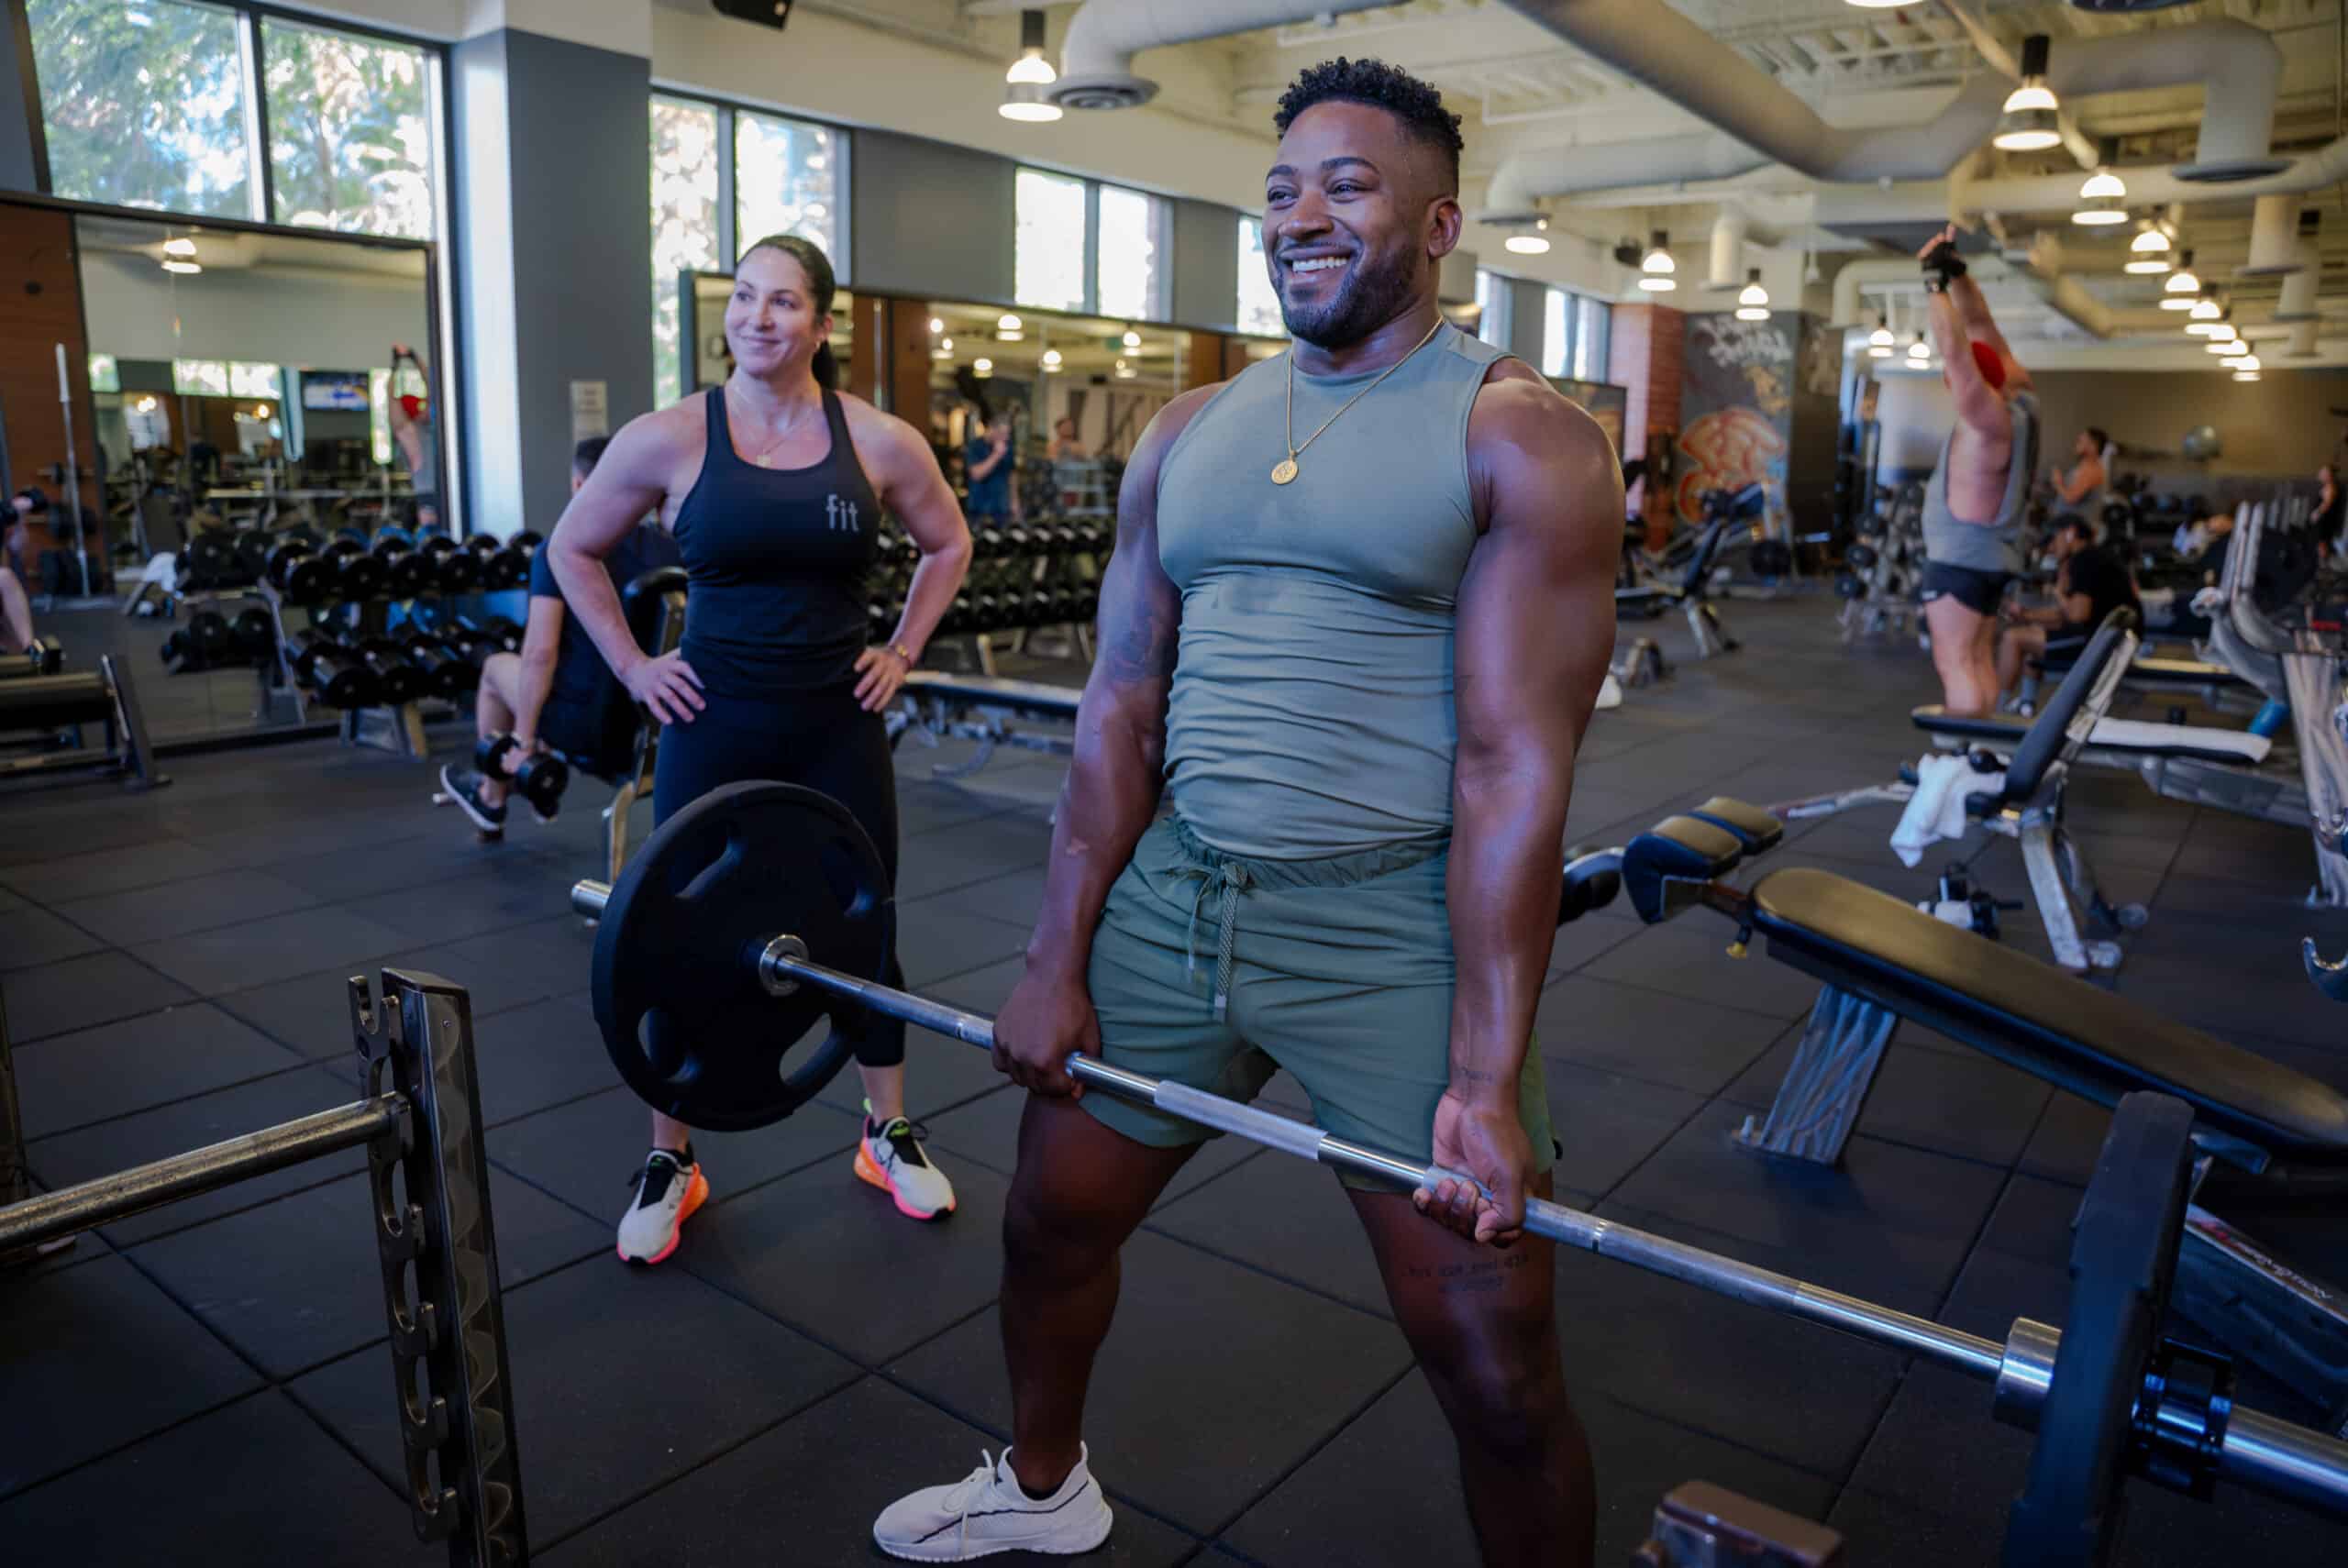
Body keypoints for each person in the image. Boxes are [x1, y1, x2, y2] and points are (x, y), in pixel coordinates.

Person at [873, 59, 1619, 1567]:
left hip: (1391, 927)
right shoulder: (1187, 429)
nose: (1301, 216)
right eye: (1281, 190)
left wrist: (1484, 1067)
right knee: (1048, 1223)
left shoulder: (1520, 436)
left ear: (1440, 222)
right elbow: (1121, 705)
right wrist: (1053, 952)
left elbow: (1509, 766)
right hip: (1177, 901)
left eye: (1347, 186)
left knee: (1496, 1361)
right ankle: (1039, 1481)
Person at [548, 233, 974, 1266]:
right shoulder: (670, 437)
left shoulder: (877, 440)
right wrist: (637, 668)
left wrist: (904, 649)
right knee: (676, 932)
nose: (756, 318)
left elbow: (949, 543)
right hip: (712, 723)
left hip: (836, 724)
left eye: (782, 302)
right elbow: (572, 547)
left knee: (864, 922)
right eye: (743, 298)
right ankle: (672, 1155)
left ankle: (886, 1132)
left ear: (822, 324)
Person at [437, 436, 678, 840]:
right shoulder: (672, 551)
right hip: (656, 723)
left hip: (586, 726)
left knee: (497, 668)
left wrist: (524, 739)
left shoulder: (562, 549)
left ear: (579, 487)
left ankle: (493, 795)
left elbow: (539, 653)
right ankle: (529, 780)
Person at [1913, 224, 2041, 717]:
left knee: (1956, 665)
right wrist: (1956, 274)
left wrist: (1932, 285)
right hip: (1987, 559)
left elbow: (1957, 354)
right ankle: (1981, 750)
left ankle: (1963, 752)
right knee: (1977, 661)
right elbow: (1983, 329)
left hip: (1961, 561)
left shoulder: (1987, 422)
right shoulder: (2022, 398)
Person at [1996, 513, 2140, 702]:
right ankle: (2026, 705)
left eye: (2054, 539)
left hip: (2104, 642)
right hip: (2111, 636)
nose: (2052, 548)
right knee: (2030, 637)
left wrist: (2058, 593)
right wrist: (2026, 615)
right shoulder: (2092, 556)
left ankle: (1996, 709)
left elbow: (2077, 615)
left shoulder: (2084, 560)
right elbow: (2064, 615)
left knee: (2012, 638)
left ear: (2070, 533)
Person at [387, 342, 439, 533]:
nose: (426, 408)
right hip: (427, 496)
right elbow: (391, 399)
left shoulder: (433, 425)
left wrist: (414, 357)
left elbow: (434, 388)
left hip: (444, 490)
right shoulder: (406, 430)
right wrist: (396, 366)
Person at [963, 406, 1014, 527]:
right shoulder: (974, 446)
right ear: (991, 429)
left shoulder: (1008, 446)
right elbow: (976, 475)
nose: (1006, 438)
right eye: (1003, 434)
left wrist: (1014, 501)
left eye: (1008, 434)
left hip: (1001, 506)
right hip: (979, 506)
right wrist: (996, 455)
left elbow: (1012, 473)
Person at [2047, 426, 2108, 508]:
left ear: (2093, 446)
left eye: (2080, 441)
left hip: (2073, 518)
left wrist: (2058, 483)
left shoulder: (2093, 470)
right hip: (2064, 515)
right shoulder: (2085, 464)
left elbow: (2071, 498)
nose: (2077, 443)